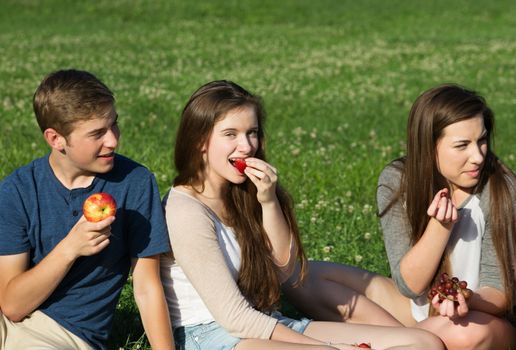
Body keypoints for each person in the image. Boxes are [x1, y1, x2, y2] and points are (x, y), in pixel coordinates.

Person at [160, 80, 444, 350]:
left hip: (268, 323)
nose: (246, 146)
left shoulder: (246, 194)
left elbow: (286, 270)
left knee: (424, 343)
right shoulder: (185, 210)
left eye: (252, 132)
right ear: (200, 141)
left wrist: (269, 201)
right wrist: (327, 347)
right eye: (230, 134)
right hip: (213, 337)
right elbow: (234, 318)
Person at [283, 84, 515, 350]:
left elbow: (500, 293)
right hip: (415, 310)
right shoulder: (398, 181)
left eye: (482, 140)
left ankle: (397, 342)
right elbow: (410, 286)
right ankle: (412, 341)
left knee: (466, 336)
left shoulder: (501, 189)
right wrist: (439, 228)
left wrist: (464, 300)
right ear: (428, 147)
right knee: (300, 276)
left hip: (479, 317)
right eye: (462, 145)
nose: (478, 156)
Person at [0, 69, 174, 350]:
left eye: (114, 125)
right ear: (56, 139)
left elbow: (146, 286)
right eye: (97, 134)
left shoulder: (134, 183)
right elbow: (11, 305)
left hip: (63, 334)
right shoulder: (18, 190)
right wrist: (71, 248)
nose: (113, 140)